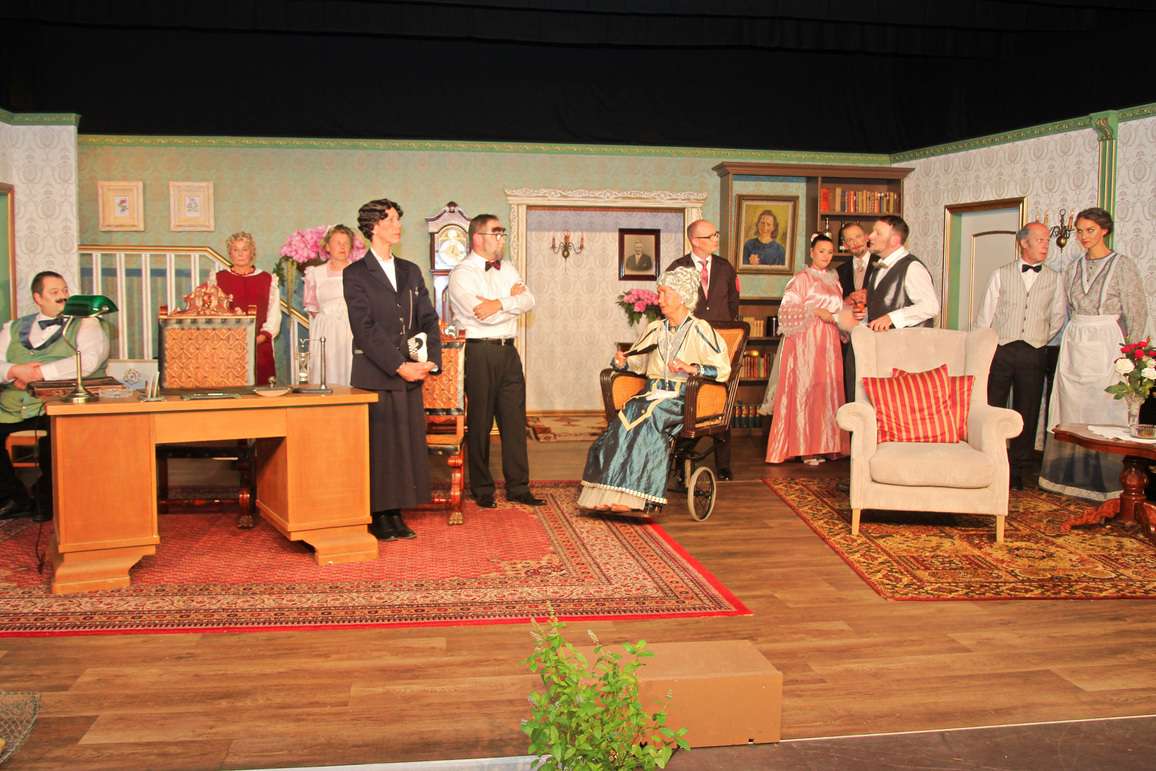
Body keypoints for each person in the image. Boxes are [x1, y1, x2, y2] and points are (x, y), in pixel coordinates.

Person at [579, 267, 731, 511]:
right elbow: (639, 361)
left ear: (682, 296)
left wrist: (691, 368)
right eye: (659, 293)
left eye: (665, 294)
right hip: (652, 393)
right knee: (626, 415)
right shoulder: (655, 328)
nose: (659, 300)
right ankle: (609, 493)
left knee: (650, 417)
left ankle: (636, 498)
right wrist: (623, 362)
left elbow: (722, 369)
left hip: (684, 398)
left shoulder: (700, 329)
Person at [343, 199, 442, 542]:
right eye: (391, 220)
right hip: (377, 374)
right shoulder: (355, 274)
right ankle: (379, 513)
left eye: (398, 219)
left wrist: (430, 361)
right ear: (373, 227)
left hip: (412, 373)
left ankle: (396, 511)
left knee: (404, 443)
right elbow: (364, 328)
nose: (398, 226)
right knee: (380, 446)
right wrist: (399, 366)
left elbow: (428, 318)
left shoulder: (410, 271)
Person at [1039, 207, 1147, 501]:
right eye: (1080, 231)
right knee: (1072, 407)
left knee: (1104, 407)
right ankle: (1072, 476)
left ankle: (1106, 480)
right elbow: (1064, 310)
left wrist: (1132, 356)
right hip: (1075, 343)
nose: (1084, 236)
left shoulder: (1122, 265)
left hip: (1107, 343)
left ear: (1105, 231)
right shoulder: (1073, 267)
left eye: (1090, 230)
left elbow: (1136, 311)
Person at [447, 214, 545, 509]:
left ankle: (518, 487)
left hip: (508, 352)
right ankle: (481, 488)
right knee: (479, 422)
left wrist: (500, 303)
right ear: (478, 238)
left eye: (503, 234)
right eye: (497, 233)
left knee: (514, 422)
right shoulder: (462, 274)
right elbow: (482, 316)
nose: (502, 239)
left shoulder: (509, 267)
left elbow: (529, 301)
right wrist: (511, 305)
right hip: (479, 352)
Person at [0, 271, 110, 521]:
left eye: (65, 290)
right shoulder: (12, 327)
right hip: (12, 407)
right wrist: (15, 370)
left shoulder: (87, 322)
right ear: (38, 298)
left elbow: (88, 361)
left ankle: (46, 499)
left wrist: (37, 374)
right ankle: (13, 498)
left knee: (59, 438)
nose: (63, 297)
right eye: (54, 292)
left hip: (59, 404)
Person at [973, 221, 1066, 490]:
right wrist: (984, 350)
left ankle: (1017, 470)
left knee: (1028, 410)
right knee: (992, 406)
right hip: (1001, 349)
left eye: (1047, 240)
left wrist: (1038, 340)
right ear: (1024, 243)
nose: (1046, 245)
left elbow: (1058, 318)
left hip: (1033, 352)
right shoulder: (1001, 274)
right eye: (1040, 240)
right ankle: (988, 460)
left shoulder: (1054, 278)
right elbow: (985, 316)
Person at [765, 235, 850, 464]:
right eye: (822, 251)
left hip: (829, 342)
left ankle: (827, 445)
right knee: (807, 389)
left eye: (830, 252)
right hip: (807, 341)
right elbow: (786, 308)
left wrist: (845, 313)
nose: (826, 256)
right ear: (812, 251)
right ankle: (805, 448)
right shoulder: (802, 278)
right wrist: (815, 311)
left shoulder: (834, 281)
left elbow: (839, 311)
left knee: (826, 390)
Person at [667, 219, 741, 480]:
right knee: (688, 401)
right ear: (695, 241)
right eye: (710, 236)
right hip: (689, 341)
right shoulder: (678, 267)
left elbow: (733, 302)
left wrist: (725, 331)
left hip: (718, 342)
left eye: (715, 234)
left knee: (720, 399)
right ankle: (681, 461)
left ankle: (723, 465)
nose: (715, 239)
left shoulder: (725, 267)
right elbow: (670, 304)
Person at [215, 232, 280, 385]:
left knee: (261, 387)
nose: (240, 254)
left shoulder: (266, 279)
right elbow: (214, 312)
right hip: (228, 345)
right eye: (236, 249)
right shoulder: (219, 279)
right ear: (230, 253)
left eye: (244, 249)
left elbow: (274, 313)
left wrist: (261, 337)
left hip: (260, 344)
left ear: (251, 252)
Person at [857, 215, 939, 330]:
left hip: (906, 341)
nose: (870, 236)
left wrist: (891, 318)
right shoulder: (879, 267)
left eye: (878, 233)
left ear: (894, 240)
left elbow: (930, 306)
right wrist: (865, 314)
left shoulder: (912, 267)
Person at [303, 224, 359, 386]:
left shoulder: (360, 272)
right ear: (327, 246)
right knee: (327, 372)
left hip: (352, 329)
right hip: (326, 331)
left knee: (351, 369)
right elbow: (312, 307)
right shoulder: (315, 274)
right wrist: (328, 323)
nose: (342, 247)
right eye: (337, 243)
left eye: (346, 243)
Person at [835, 222, 874, 401]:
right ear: (845, 244)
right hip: (849, 337)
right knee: (851, 383)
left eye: (858, 237)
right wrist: (847, 300)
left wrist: (870, 297)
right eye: (850, 240)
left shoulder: (882, 265)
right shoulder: (839, 272)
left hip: (876, 333)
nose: (856, 243)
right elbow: (834, 305)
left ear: (866, 237)